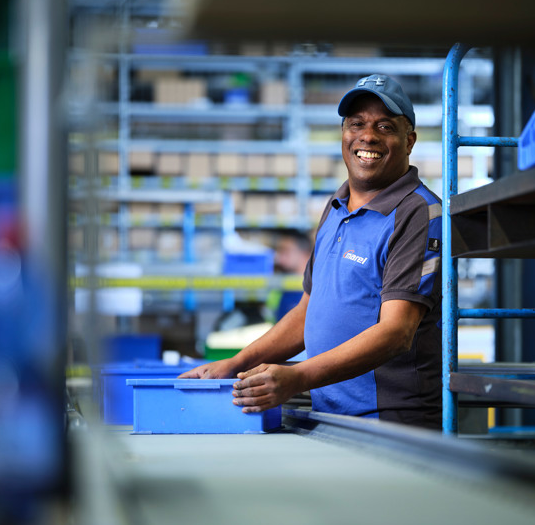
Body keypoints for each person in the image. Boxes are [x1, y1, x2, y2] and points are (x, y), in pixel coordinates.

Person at [181, 74, 443, 429]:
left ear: (409, 141)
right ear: (343, 133)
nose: (368, 136)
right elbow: (307, 312)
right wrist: (235, 364)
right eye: (357, 124)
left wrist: (298, 376)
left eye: (385, 127)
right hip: (332, 414)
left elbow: (397, 332)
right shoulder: (337, 206)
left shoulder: (417, 213)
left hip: (391, 421)